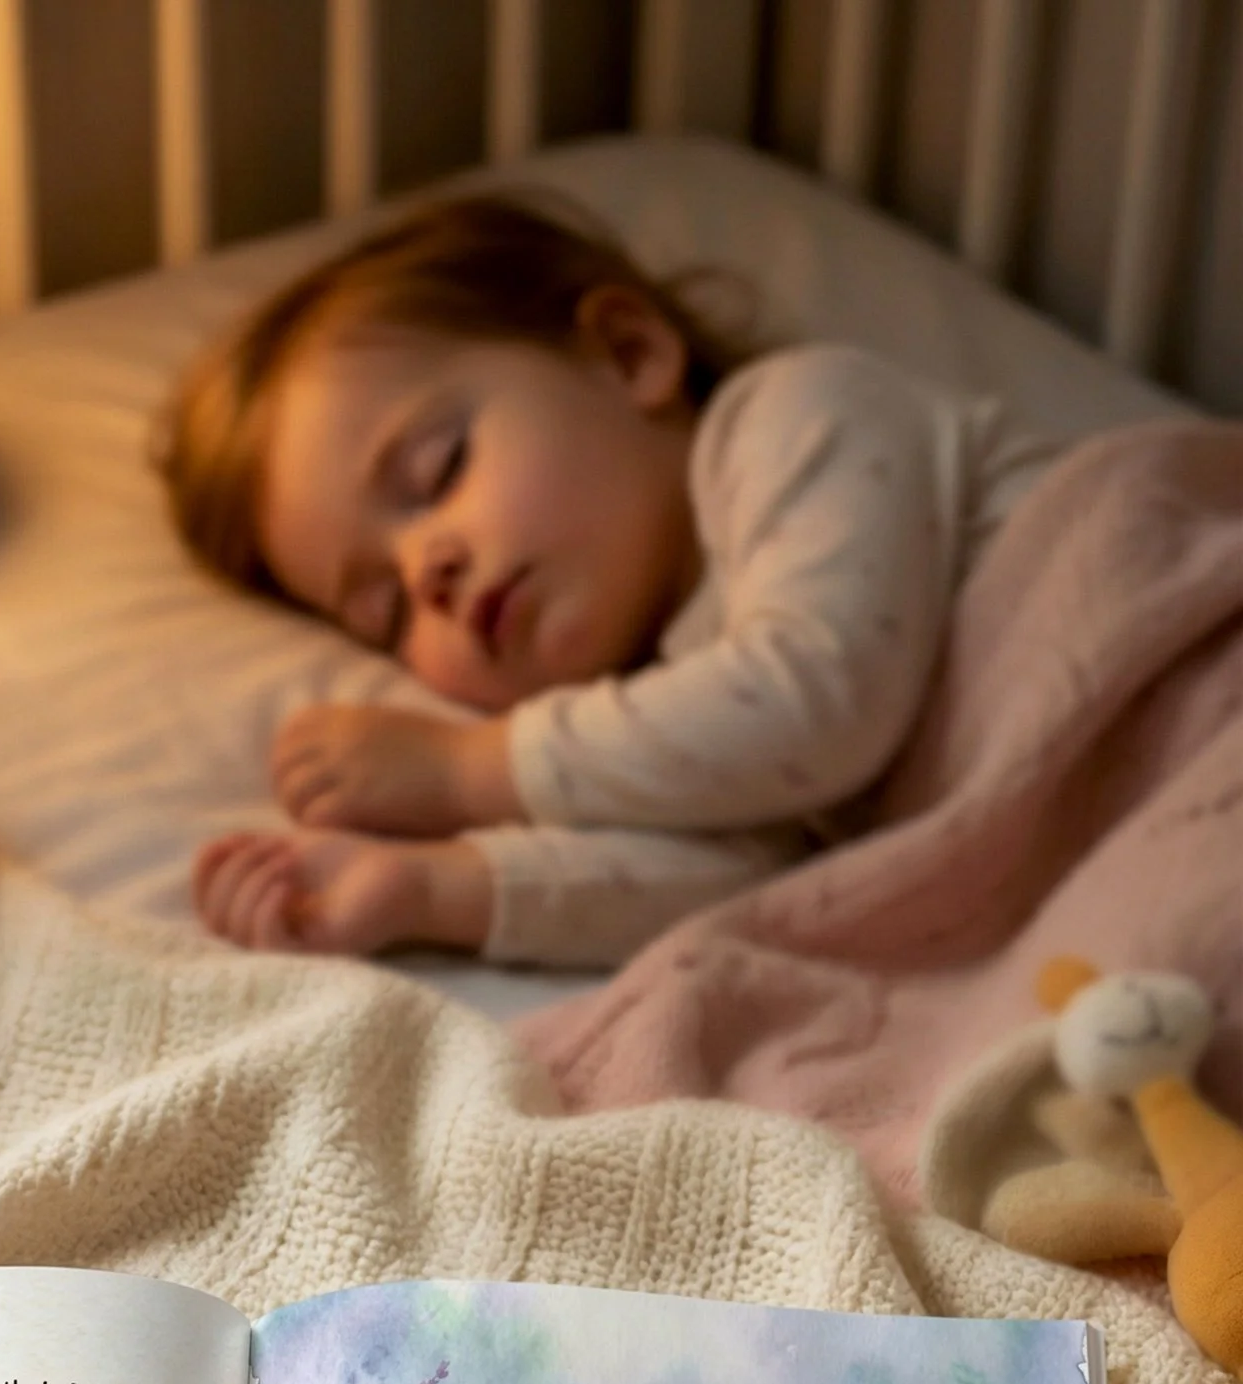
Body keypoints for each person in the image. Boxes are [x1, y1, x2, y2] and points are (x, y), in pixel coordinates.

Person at [159, 194, 1049, 966]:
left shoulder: (801, 412)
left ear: (628, 353)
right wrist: (426, 888)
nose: (427, 571)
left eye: (441, 469)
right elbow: (746, 887)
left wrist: (465, 769)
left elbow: (818, 699)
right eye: (386, 612)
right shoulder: (680, 717)